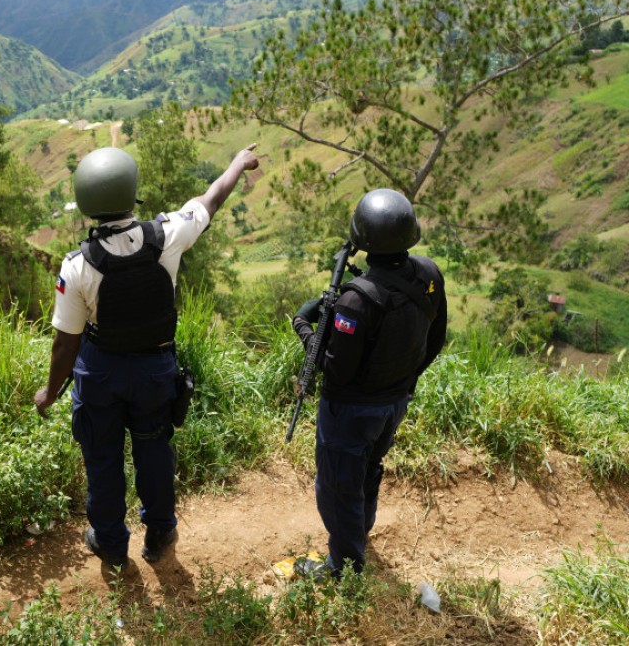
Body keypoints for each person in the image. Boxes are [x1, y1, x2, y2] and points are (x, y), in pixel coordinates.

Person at [35, 143, 260, 569]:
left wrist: (49, 392)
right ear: (131, 192)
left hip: (101, 372)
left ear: (86, 203)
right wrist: (236, 161)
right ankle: (159, 531)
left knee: (102, 457)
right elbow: (211, 199)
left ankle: (110, 543)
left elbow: (66, 344)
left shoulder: (77, 266)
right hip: (155, 368)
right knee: (153, 450)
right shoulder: (168, 234)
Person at [292, 188, 447, 578]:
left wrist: (306, 330)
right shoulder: (428, 274)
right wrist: (408, 380)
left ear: (362, 240)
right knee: (368, 467)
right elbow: (436, 339)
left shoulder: (355, 302)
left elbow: (336, 369)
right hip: (395, 401)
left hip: (350, 411)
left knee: (338, 488)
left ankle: (344, 568)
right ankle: (358, 531)